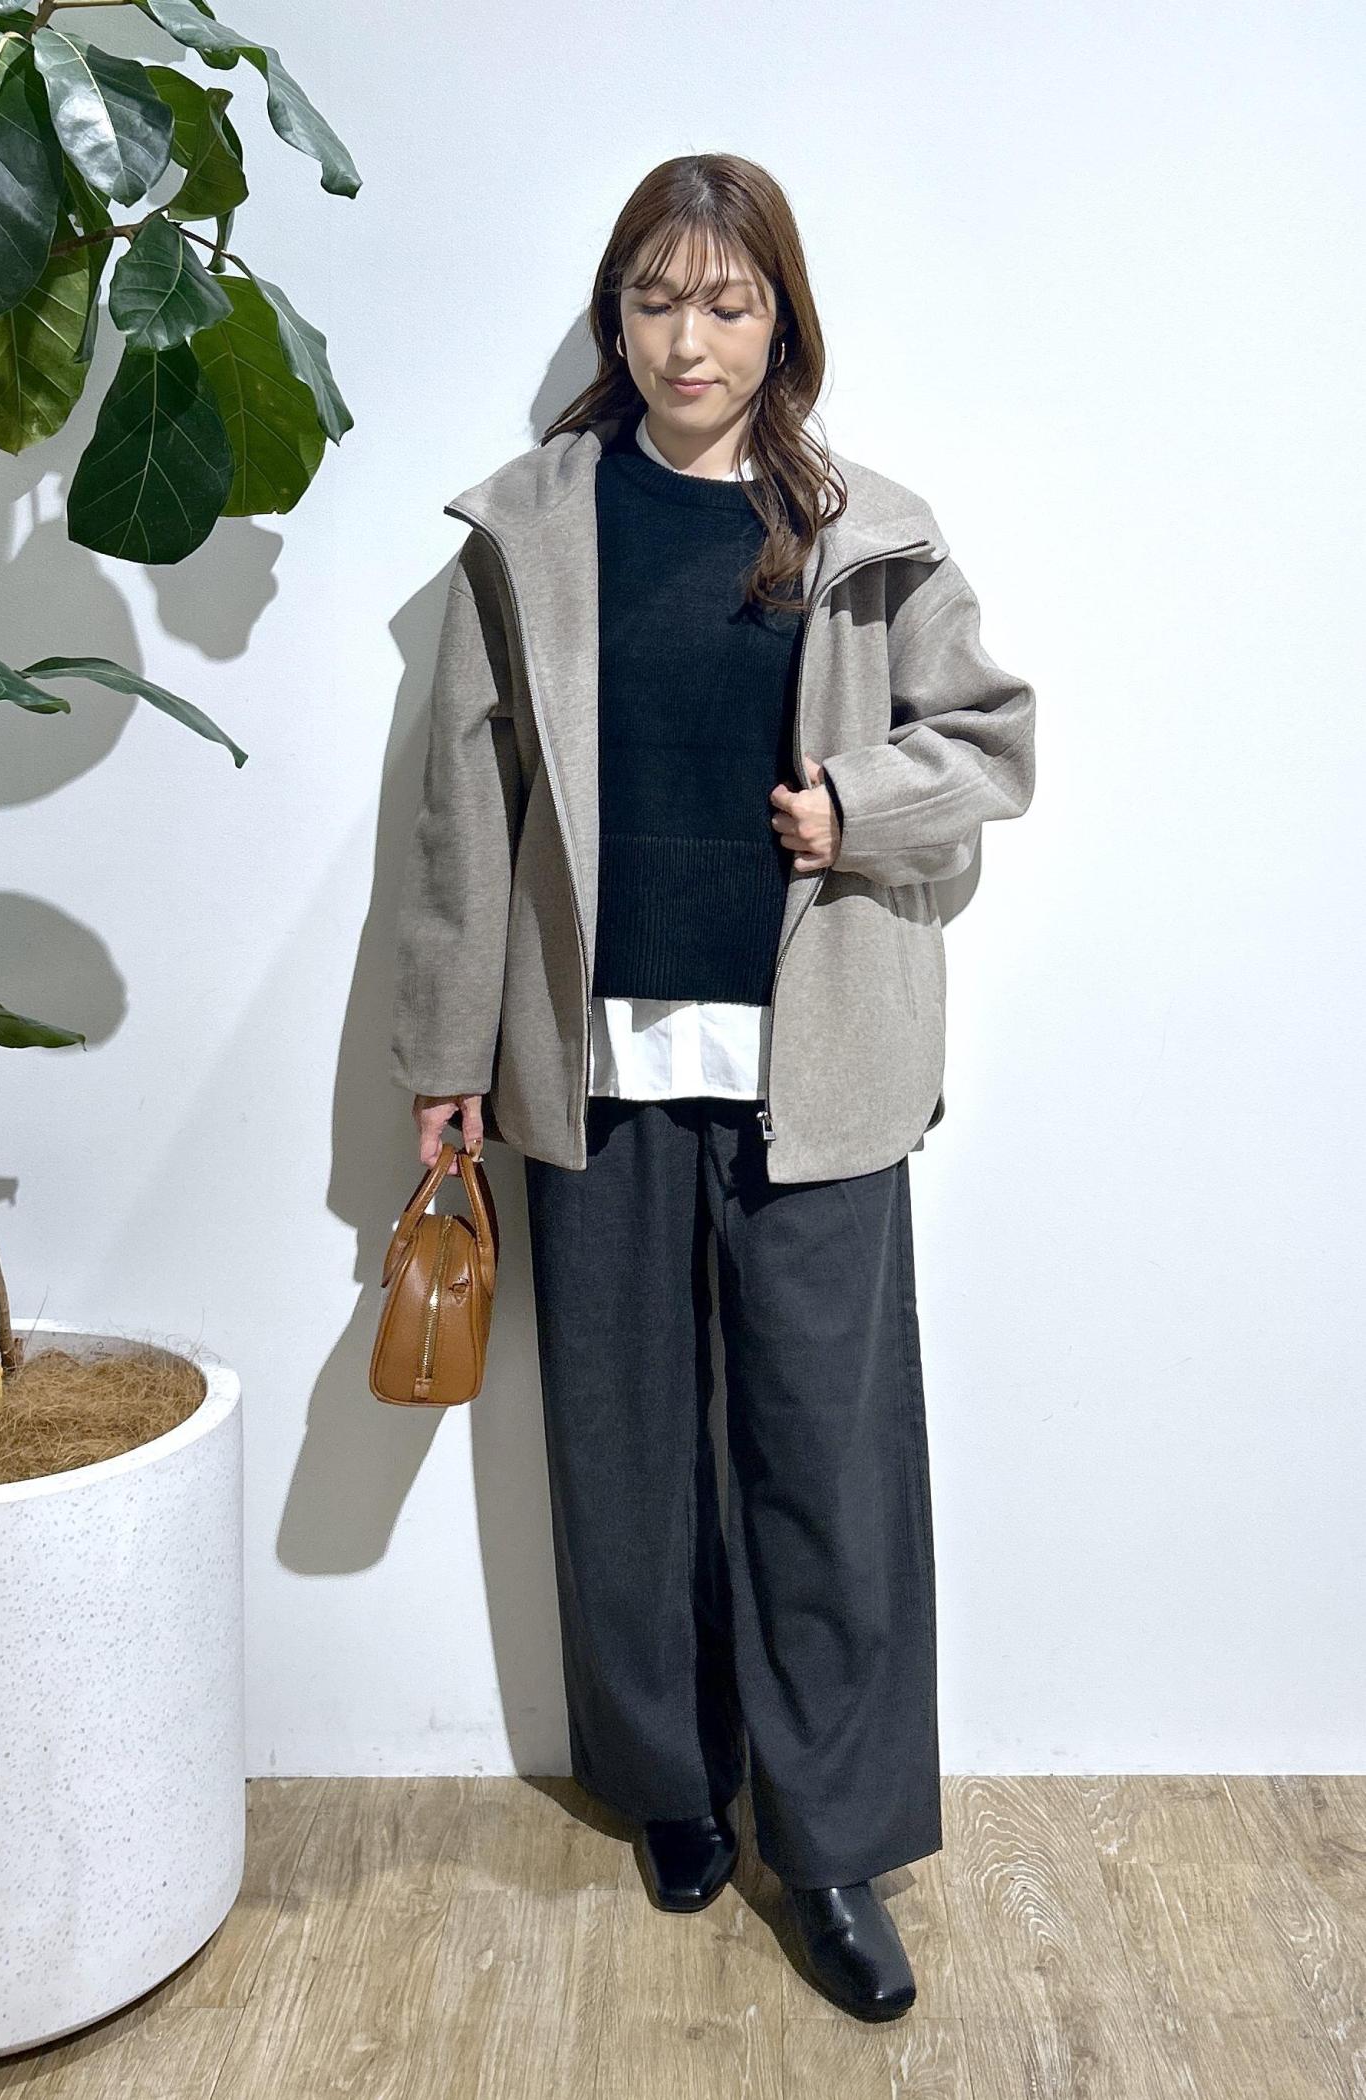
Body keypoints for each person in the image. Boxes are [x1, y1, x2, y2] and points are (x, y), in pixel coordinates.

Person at [389, 151, 1035, 2023]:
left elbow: (991, 744)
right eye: (658, 300)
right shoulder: (528, 529)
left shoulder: (869, 530)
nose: (692, 339)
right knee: (625, 1444)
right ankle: (672, 1784)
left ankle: (827, 1844)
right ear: (617, 317)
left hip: (818, 1065)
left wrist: (858, 808)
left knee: (825, 1465)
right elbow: (463, 813)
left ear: (782, 323)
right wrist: (444, 1059)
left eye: (729, 303)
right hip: (589, 1059)